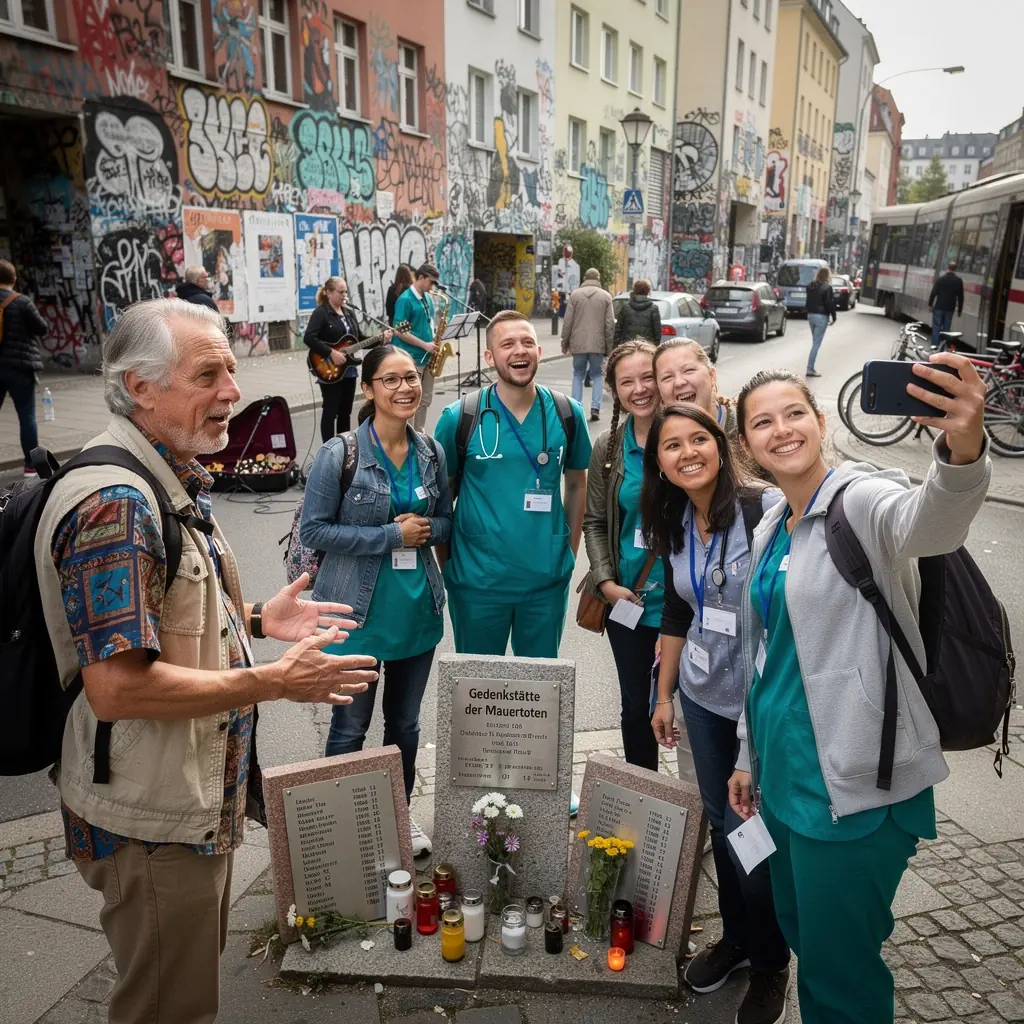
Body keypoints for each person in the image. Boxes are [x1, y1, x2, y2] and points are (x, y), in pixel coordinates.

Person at [33, 298, 378, 1024]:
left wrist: (255, 619)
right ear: (141, 388)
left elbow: (145, 623)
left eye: (232, 369)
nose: (233, 392)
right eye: (208, 374)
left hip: (182, 807)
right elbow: (118, 687)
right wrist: (277, 681)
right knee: (166, 1010)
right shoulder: (116, 504)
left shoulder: (164, 474)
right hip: (151, 822)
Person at [728, 355, 989, 1022]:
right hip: (784, 783)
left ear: (819, 423)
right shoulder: (768, 526)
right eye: (762, 423)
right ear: (747, 444)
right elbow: (763, 658)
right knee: (803, 935)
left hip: (856, 790)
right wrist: (745, 757)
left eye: (793, 414)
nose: (781, 430)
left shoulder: (860, 500)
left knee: (840, 970)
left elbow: (931, 521)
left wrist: (963, 443)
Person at [643, 403, 791, 1024]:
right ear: (659, 463)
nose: (687, 453)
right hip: (703, 702)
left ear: (720, 443)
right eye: (671, 445)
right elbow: (679, 611)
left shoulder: (764, 510)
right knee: (723, 828)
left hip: (758, 707)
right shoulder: (676, 516)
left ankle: (770, 962)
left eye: (697, 438)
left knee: (754, 838)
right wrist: (664, 694)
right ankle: (735, 939)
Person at [300, 345, 451, 857]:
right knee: (350, 726)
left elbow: (446, 520)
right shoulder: (339, 453)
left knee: (404, 726)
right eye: (391, 380)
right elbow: (314, 530)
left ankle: (399, 817)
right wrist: (391, 535)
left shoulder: (431, 450)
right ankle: (338, 829)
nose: (405, 388)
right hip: (352, 614)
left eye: (411, 377)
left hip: (416, 613)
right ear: (368, 389)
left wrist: (425, 531)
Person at [435, 309, 592, 659]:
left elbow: (578, 484)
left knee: (538, 693)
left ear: (539, 351)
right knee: (477, 690)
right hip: (477, 583)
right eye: (507, 344)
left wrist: (568, 552)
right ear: (490, 357)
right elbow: (443, 498)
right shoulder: (460, 418)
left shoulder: (568, 414)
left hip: (545, 581)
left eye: (527, 342)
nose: (519, 350)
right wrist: (449, 568)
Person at [582, 340, 663, 770]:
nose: (639, 389)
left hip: (688, 604)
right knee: (635, 709)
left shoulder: (689, 433)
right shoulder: (609, 447)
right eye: (626, 381)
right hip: (628, 601)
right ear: (614, 390)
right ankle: (646, 797)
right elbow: (594, 521)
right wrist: (606, 582)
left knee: (692, 711)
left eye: (648, 376)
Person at [304, 276, 390, 442]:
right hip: (329, 369)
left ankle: (343, 448)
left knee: (345, 412)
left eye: (346, 292)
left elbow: (359, 339)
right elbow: (309, 338)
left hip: (349, 371)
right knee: (330, 411)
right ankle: (328, 448)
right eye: (340, 292)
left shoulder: (349, 313)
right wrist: (331, 353)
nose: (344, 295)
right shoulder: (321, 313)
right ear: (329, 293)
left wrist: (381, 338)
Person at [0, 259, 48, 477]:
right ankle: (30, 464)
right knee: (26, 416)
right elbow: (42, 328)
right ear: (14, 279)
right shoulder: (22, 302)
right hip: (20, 367)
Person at [561, 267, 615, 422]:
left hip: (577, 343)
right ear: (598, 278)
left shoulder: (575, 295)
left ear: (585, 278)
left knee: (577, 374)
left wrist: (564, 342)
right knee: (597, 375)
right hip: (598, 344)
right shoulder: (606, 296)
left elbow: (567, 322)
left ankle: (576, 408)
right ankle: (595, 407)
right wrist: (609, 347)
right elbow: (610, 324)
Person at [653, 337, 736, 435]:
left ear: (712, 375)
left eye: (688, 370)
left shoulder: (745, 424)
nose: (679, 382)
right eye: (667, 377)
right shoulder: (657, 437)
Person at [394, 263, 441, 430]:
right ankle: (408, 436)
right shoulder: (405, 299)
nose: (433, 286)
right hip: (412, 357)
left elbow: (428, 323)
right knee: (412, 399)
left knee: (425, 399)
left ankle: (420, 433)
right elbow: (399, 332)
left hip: (428, 356)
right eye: (431, 282)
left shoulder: (427, 298)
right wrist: (424, 344)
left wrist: (436, 336)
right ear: (421, 278)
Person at [804, 267, 836, 379]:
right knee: (816, 344)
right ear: (827, 276)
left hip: (811, 316)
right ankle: (810, 368)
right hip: (821, 317)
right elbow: (829, 303)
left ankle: (811, 367)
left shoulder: (810, 286)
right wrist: (834, 316)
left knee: (815, 342)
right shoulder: (827, 287)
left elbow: (808, 301)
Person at [614, 279, 662, 345]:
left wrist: (616, 347)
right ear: (648, 291)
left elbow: (618, 330)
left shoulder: (626, 307)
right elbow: (657, 333)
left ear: (635, 290)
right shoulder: (653, 308)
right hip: (646, 348)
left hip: (627, 347)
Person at [928, 260, 964, 348]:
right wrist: (959, 310)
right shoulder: (958, 281)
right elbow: (960, 297)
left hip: (939, 307)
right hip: (949, 309)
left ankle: (935, 347)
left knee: (936, 327)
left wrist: (930, 304)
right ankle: (942, 347)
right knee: (946, 330)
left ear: (948, 268)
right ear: (955, 270)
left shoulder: (941, 279)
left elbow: (933, 293)